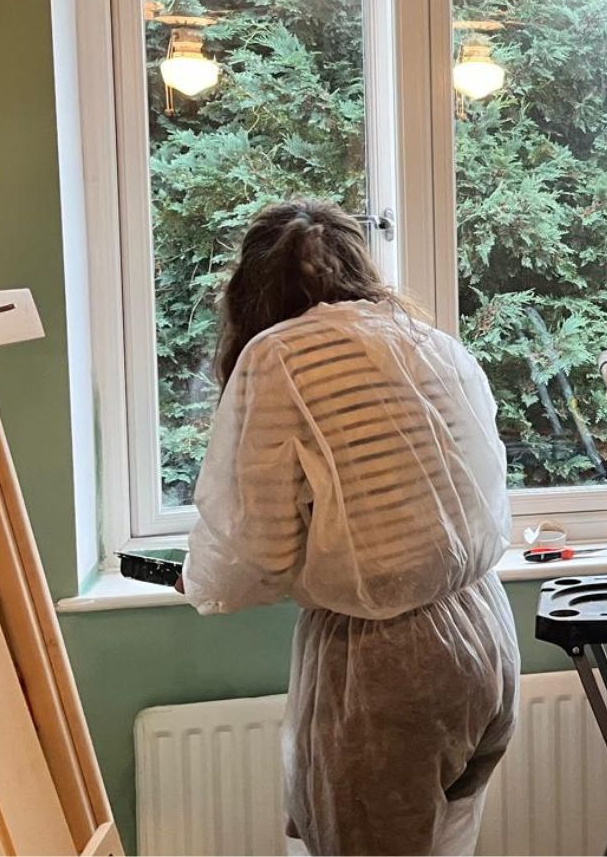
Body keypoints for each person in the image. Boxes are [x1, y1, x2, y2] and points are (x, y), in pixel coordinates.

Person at [179, 200, 518, 855]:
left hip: (388, 664)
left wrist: (200, 580)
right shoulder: (426, 341)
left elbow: (256, 554)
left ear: (252, 293)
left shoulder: (279, 359)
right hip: (485, 640)